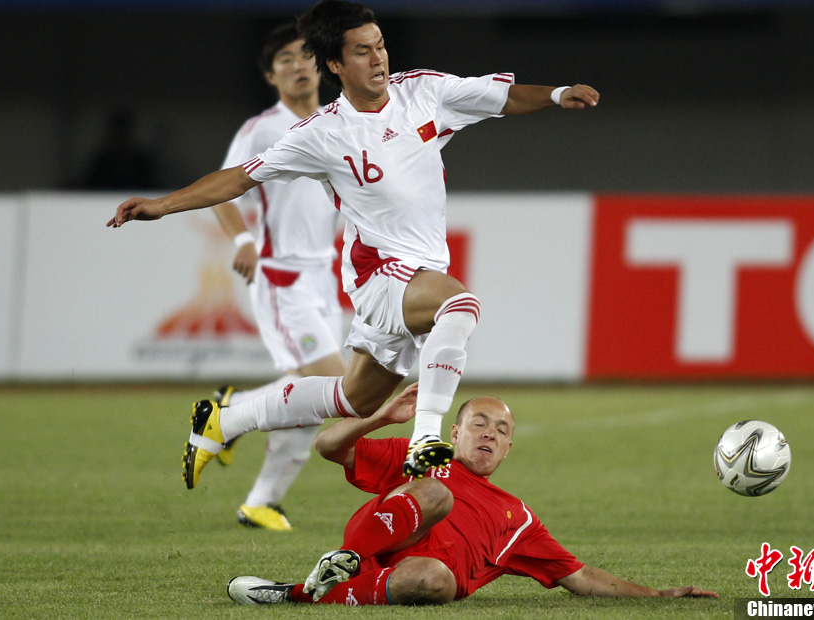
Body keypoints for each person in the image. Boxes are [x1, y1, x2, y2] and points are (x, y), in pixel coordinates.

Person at [107, 0, 601, 485]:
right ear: (335, 65)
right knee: (460, 306)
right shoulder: (323, 134)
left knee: (355, 399)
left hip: (419, 272)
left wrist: (558, 94)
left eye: (380, 45)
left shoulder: (423, 92)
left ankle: (225, 420)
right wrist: (163, 205)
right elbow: (240, 178)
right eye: (362, 51)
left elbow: (501, 98)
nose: (378, 58)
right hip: (378, 272)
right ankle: (426, 437)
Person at [225, 387, 720, 606]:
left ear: (508, 449)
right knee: (438, 493)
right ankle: (346, 560)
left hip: (418, 578)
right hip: (376, 542)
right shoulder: (422, 455)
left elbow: (581, 577)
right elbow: (328, 446)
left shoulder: (518, 518)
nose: (489, 433)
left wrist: (658, 595)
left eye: (501, 430)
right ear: (456, 432)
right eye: (479, 423)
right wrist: (379, 418)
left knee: (434, 579)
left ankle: (302, 593)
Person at [207, 23, 346, 531]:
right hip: (281, 278)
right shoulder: (263, 129)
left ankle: (261, 501)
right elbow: (222, 190)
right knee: (332, 384)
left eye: (305, 55)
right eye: (284, 59)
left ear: (322, 65)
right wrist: (243, 240)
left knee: (313, 397)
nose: (298, 65)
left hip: (324, 277)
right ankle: (231, 412)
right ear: (271, 75)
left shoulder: (340, 121)